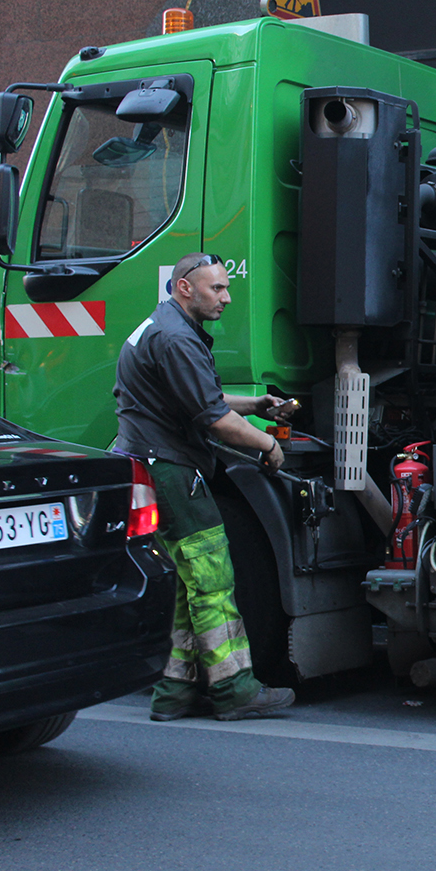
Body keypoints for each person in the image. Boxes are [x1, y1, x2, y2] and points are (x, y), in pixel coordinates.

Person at [114, 251, 298, 722]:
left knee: (187, 584)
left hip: (153, 463)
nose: (227, 297)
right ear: (184, 288)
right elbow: (215, 420)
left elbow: (204, 396)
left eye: (226, 287)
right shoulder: (176, 339)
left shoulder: (163, 327)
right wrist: (267, 446)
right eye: (217, 288)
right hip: (172, 470)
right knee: (213, 581)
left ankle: (174, 692)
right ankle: (236, 689)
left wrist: (256, 403)